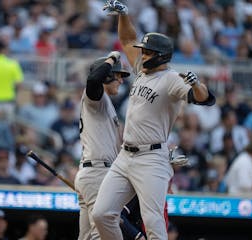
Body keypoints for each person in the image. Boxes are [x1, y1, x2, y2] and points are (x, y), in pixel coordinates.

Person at [92, 1, 216, 239]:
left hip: (151, 158)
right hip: (125, 155)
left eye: (147, 52)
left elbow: (205, 99)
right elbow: (128, 40)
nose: (142, 54)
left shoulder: (170, 79)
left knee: (153, 222)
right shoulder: (142, 68)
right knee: (102, 213)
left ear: (160, 56)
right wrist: (124, 15)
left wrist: (196, 84)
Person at [74, 51, 130, 240]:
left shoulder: (105, 103)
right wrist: (112, 58)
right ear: (106, 75)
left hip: (93, 172)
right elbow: (92, 81)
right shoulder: (95, 98)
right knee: (101, 235)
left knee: (87, 236)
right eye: (118, 76)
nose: (121, 81)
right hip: (97, 172)